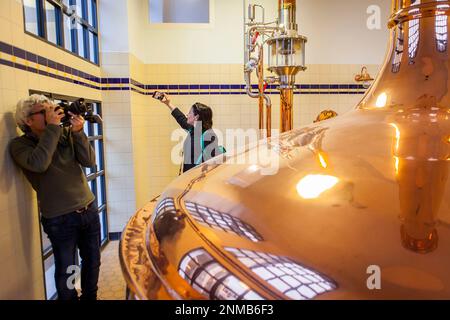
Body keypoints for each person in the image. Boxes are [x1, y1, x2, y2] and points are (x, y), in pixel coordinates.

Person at [9, 94, 101, 300]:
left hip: (89, 209)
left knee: (93, 261)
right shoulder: (20, 145)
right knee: (68, 268)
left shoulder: (64, 134)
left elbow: (89, 161)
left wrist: (78, 133)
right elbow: (39, 163)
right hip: (60, 219)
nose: (51, 113)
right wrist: (53, 128)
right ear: (28, 120)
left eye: (51, 109)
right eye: (44, 111)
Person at [158, 93, 220, 173]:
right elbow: (181, 118)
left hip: (198, 180)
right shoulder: (194, 129)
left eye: (190, 113)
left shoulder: (209, 136)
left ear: (196, 117)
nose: (187, 115)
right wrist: (168, 103)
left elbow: (215, 162)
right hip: (189, 177)